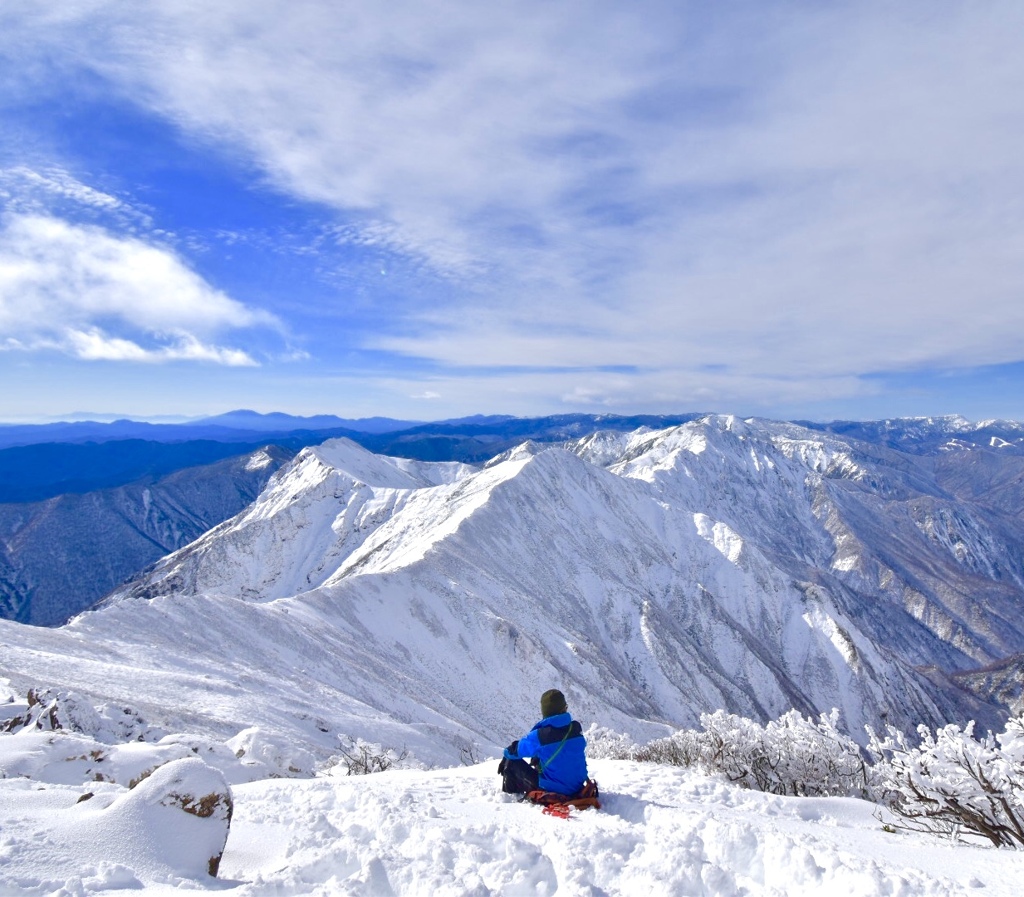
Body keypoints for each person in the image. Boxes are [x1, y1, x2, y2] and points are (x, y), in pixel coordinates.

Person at [498, 688, 589, 797]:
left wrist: (506, 755)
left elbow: (515, 750)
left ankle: (511, 799)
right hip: (578, 787)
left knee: (511, 761)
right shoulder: (575, 728)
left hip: (554, 789)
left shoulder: (541, 736)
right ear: (564, 709)